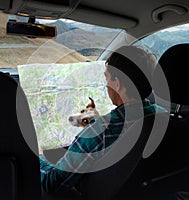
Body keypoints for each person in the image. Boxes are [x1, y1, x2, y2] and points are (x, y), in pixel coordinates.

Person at [39, 45, 164, 194]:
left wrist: (36, 154)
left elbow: (52, 183)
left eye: (107, 78)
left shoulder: (101, 130)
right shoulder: (163, 116)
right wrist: (96, 122)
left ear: (117, 82)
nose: (105, 85)